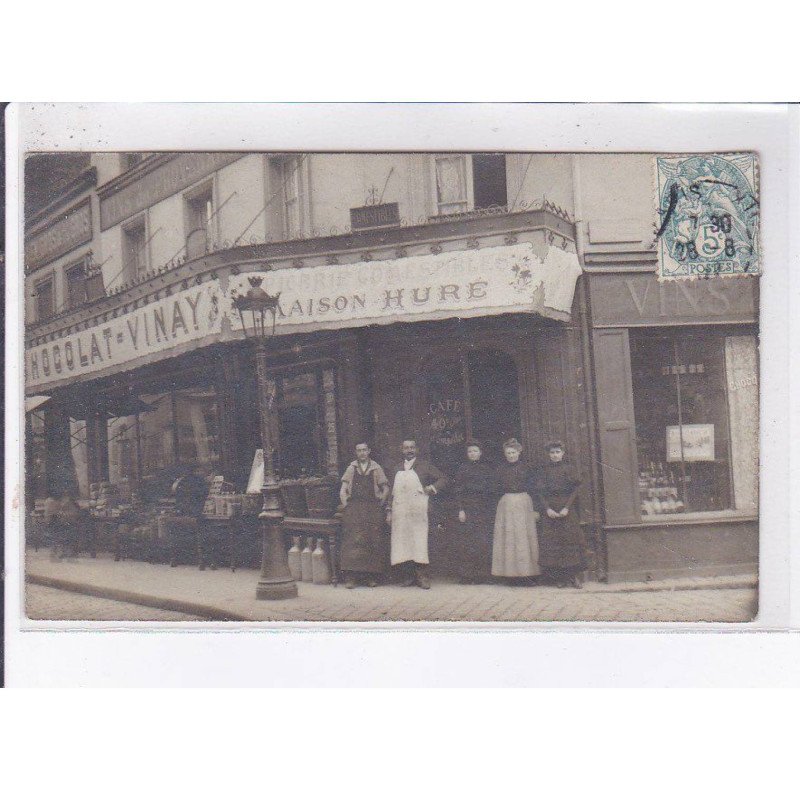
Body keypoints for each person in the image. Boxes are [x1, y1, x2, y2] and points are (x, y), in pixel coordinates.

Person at [386, 438, 448, 589]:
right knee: (403, 542)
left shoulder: (425, 466)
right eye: (406, 448)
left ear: (417, 449)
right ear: (402, 450)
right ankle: (408, 576)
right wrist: (389, 510)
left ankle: (422, 576)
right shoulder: (396, 468)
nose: (409, 450)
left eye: (412, 447)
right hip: (401, 511)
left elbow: (443, 479)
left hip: (418, 510)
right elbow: (391, 491)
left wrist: (432, 487)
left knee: (419, 541)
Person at [339, 442, 390, 589]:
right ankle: (351, 577)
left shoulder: (376, 467)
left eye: (364, 450)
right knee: (352, 541)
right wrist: (346, 505)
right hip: (354, 508)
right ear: (356, 452)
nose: (362, 453)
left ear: (369, 451)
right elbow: (343, 489)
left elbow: (385, 487)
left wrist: (380, 503)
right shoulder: (351, 468)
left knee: (372, 541)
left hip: (372, 508)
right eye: (359, 450)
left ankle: (371, 577)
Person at [535, 440, 585, 588]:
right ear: (548, 454)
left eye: (557, 452)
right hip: (550, 509)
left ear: (562, 453)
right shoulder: (543, 470)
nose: (555, 455)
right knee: (554, 543)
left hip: (567, 509)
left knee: (571, 541)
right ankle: (560, 578)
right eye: (552, 452)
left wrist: (567, 507)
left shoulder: (569, 469)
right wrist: (547, 509)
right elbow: (540, 492)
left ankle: (574, 577)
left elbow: (576, 490)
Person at [491, 438, 541, 582]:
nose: (511, 455)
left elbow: (535, 489)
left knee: (523, 537)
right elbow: (495, 488)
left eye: (513, 452)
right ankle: (509, 575)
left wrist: (536, 509)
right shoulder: (500, 469)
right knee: (508, 538)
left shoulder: (527, 468)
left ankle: (526, 573)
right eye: (508, 453)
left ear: (519, 452)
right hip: (506, 504)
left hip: (524, 502)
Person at [453, 440, 497, 583]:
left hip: (483, 509)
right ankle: (467, 576)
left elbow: (492, 491)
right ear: (467, 454)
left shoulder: (487, 470)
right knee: (467, 542)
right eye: (470, 451)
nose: (473, 454)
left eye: (475, 451)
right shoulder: (462, 469)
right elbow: (458, 491)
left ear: (480, 453)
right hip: (468, 509)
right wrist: (461, 509)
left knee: (483, 542)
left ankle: (482, 575)